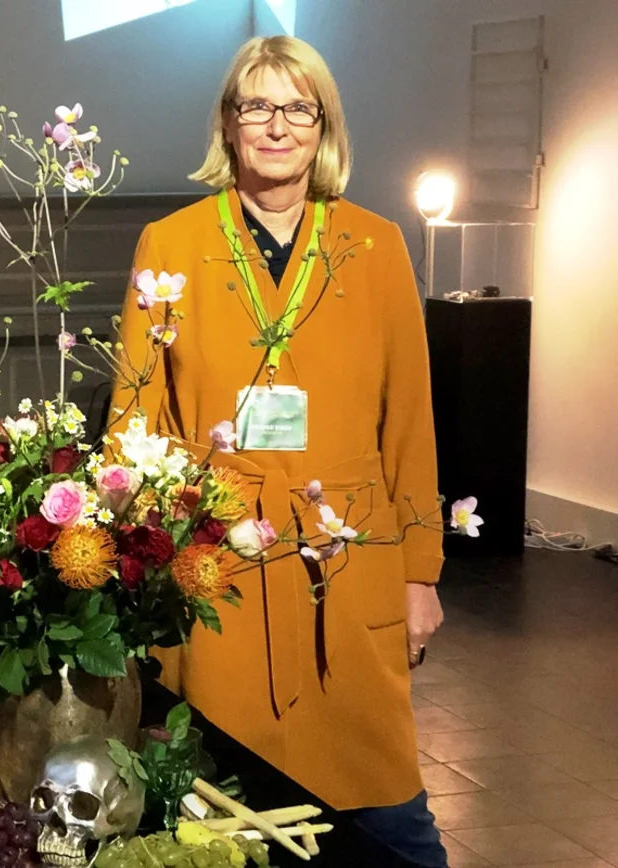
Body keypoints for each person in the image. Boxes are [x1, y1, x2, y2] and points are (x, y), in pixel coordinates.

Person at [109, 36, 448, 867]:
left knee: (393, 818)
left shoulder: (376, 246)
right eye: (255, 105)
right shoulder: (173, 244)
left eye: (298, 107)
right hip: (217, 559)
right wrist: (136, 566)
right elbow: (135, 419)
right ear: (228, 124)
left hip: (347, 554)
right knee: (225, 813)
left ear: (323, 126)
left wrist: (420, 571)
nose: (276, 125)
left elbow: (408, 418)